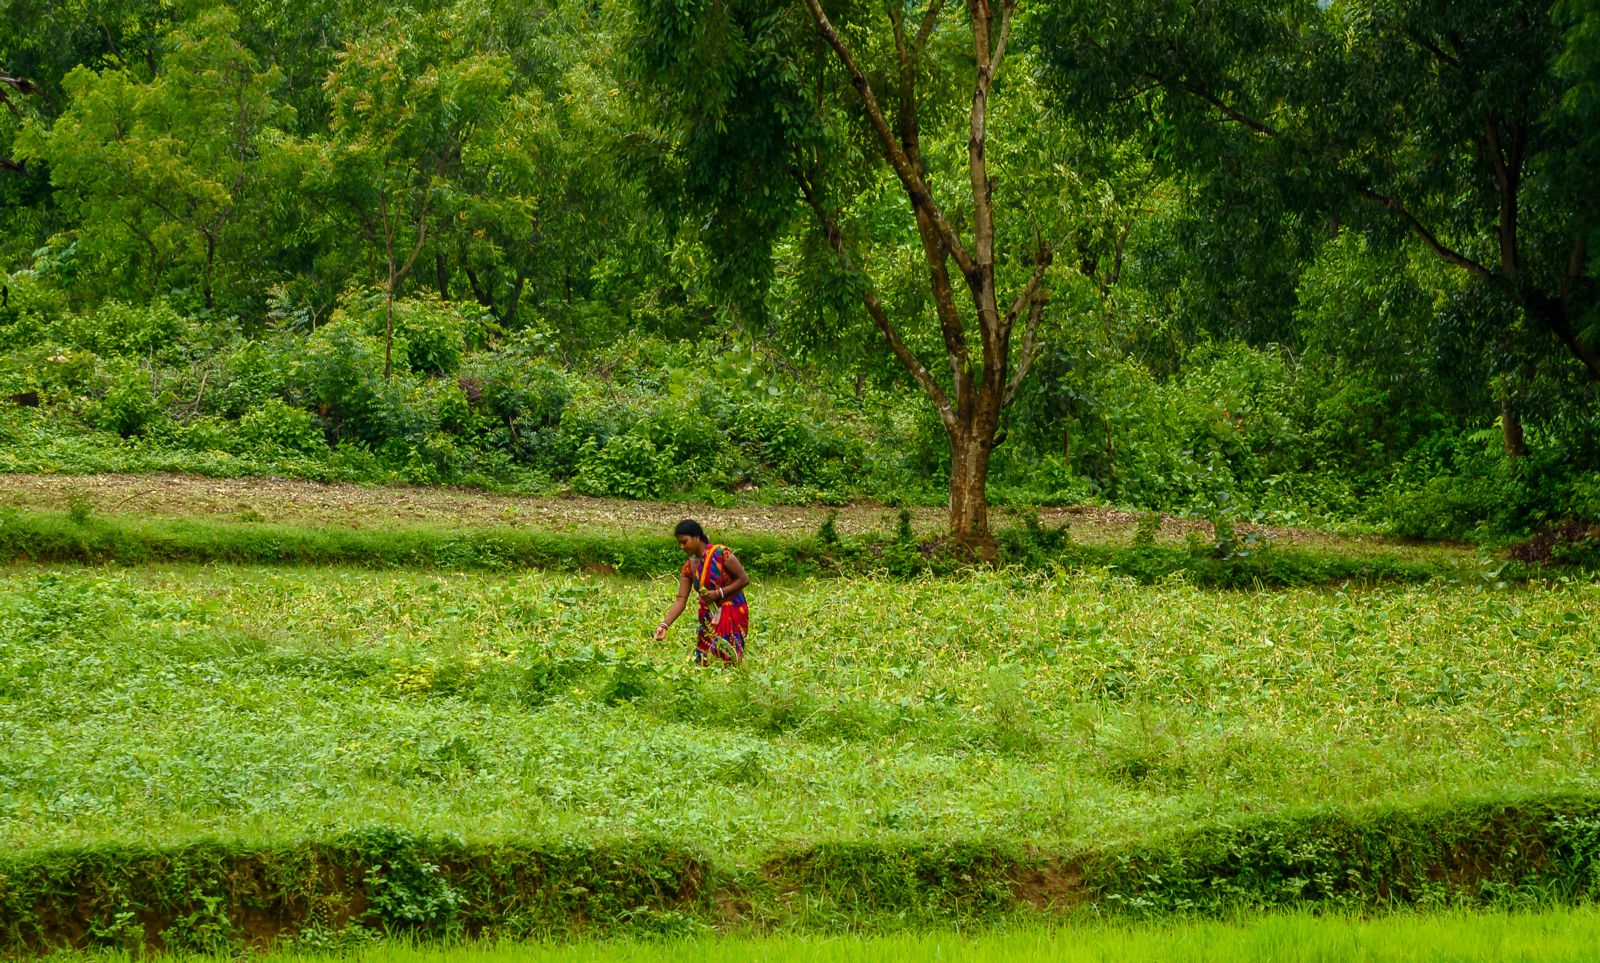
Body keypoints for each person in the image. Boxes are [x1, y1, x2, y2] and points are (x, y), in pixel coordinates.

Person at [655, 519, 749, 664]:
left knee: (728, 658)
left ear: (697, 537)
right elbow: (681, 599)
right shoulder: (689, 566)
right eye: (679, 543)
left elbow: (743, 579)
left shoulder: (720, 553)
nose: (682, 546)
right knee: (704, 659)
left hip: (732, 610)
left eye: (684, 541)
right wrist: (664, 625)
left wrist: (718, 593)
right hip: (709, 615)